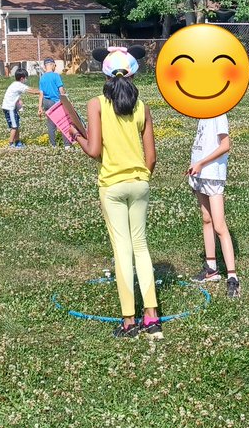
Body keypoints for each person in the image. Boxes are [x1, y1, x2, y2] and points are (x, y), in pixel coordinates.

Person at [73, 46, 162, 339]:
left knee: (122, 250)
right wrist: (141, 177)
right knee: (141, 247)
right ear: (133, 74)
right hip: (140, 183)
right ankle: (152, 317)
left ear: (105, 75)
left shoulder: (96, 104)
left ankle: (128, 320)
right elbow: (151, 157)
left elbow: (94, 150)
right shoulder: (142, 107)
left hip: (112, 186)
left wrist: (76, 136)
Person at [188, 112, 240, 297]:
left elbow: (225, 145)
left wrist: (201, 163)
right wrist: (195, 164)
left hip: (213, 175)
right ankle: (211, 269)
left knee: (219, 225)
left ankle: (233, 278)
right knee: (206, 219)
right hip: (199, 173)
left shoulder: (219, 114)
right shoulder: (203, 113)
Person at [2, 68, 41, 149]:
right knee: (14, 126)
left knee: (16, 125)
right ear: (22, 78)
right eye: (26, 78)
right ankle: (11, 144)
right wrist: (42, 91)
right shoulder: (19, 85)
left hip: (11, 108)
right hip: (9, 108)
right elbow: (32, 91)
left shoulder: (14, 84)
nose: (26, 79)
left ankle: (17, 142)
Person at [38, 58, 68, 147]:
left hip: (46, 102)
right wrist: (65, 99)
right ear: (52, 65)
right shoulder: (56, 76)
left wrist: (39, 107)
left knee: (51, 124)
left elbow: (41, 94)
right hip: (56, 102)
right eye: (55, 65)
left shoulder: (42, 78)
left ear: (45, 66)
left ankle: (53, 144)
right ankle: (67, 145)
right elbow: (61, 90)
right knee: (63, 122)